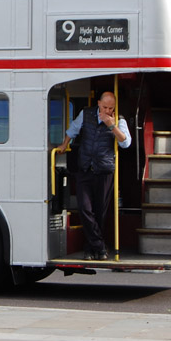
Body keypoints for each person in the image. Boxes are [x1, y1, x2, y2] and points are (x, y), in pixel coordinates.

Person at [59, 91, 131, 260]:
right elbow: (73, 130)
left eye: (110, 108)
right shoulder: (86, 114)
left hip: (104, 171)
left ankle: (92, 249)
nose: (107, 110)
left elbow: (126, 143)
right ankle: (100, 246)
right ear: (98, 103)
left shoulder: (119, 119)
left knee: (99, 212)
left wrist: (111, 125)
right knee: (85, 208)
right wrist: (63, 145)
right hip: (85, 168)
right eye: (105, 107)